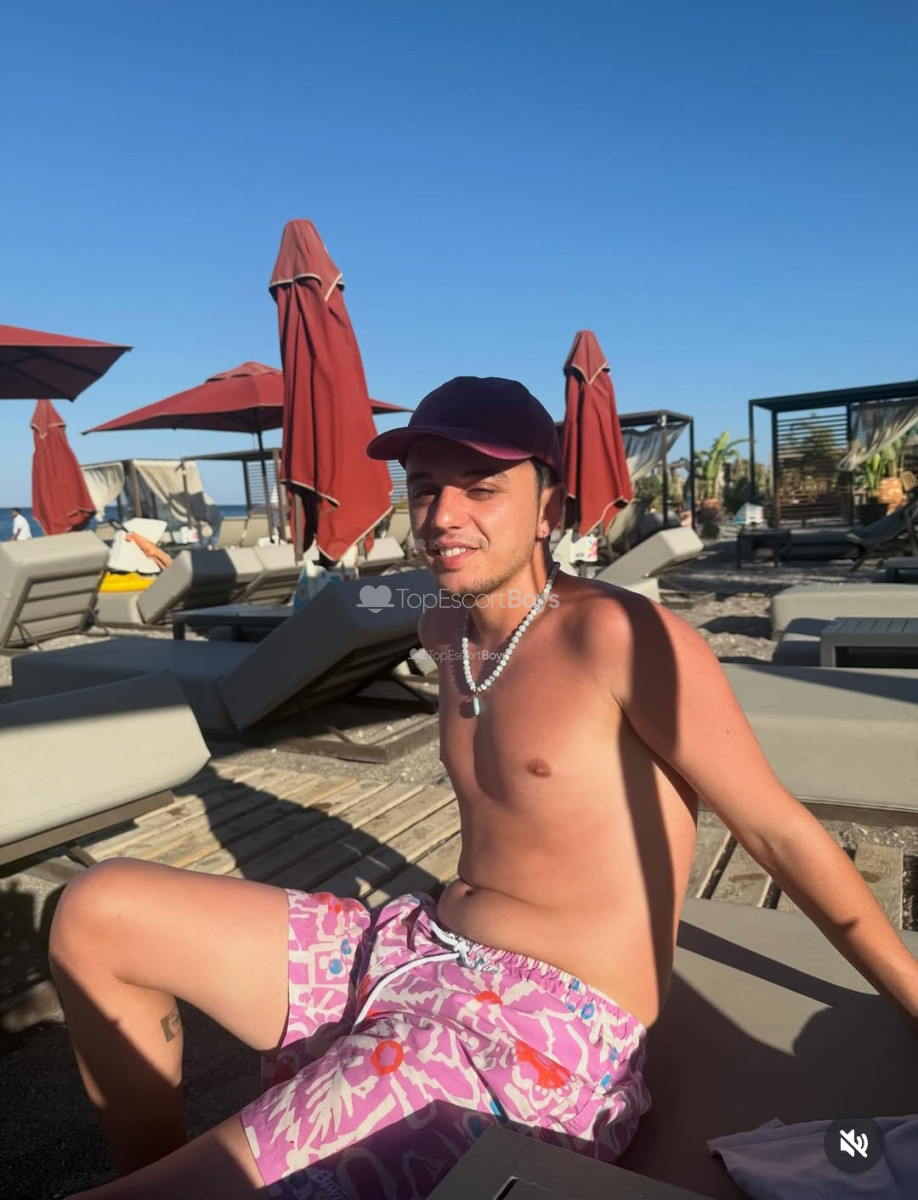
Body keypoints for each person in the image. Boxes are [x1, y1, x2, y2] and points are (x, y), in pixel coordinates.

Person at [50, 377, 918, 1200]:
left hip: (538, 1033)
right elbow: (382, 608)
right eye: (425, 488)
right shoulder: (443, 626)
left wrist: (914, 998)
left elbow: (776, 831)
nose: (442, 516)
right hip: (410, 945)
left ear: (549, 509)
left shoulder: (620, 640)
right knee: (98, 910)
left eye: (482, 488)